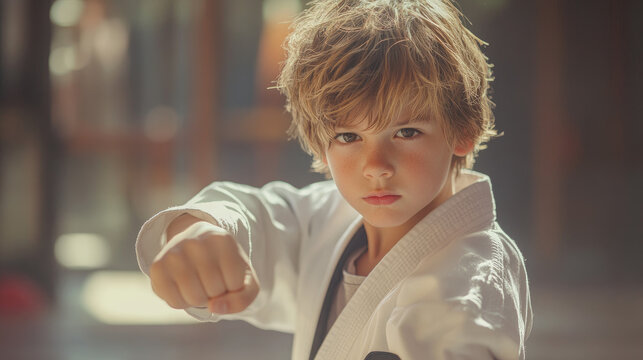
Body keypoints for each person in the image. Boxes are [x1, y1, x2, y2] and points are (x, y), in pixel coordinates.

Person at [135, 0, 533, 359]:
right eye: (348, 137)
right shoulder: (333, 219)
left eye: (407, 132)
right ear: (320, 145)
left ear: (463, 130)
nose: (375, 166)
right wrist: (200, 229)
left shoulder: (466, 288)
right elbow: (259, 215)